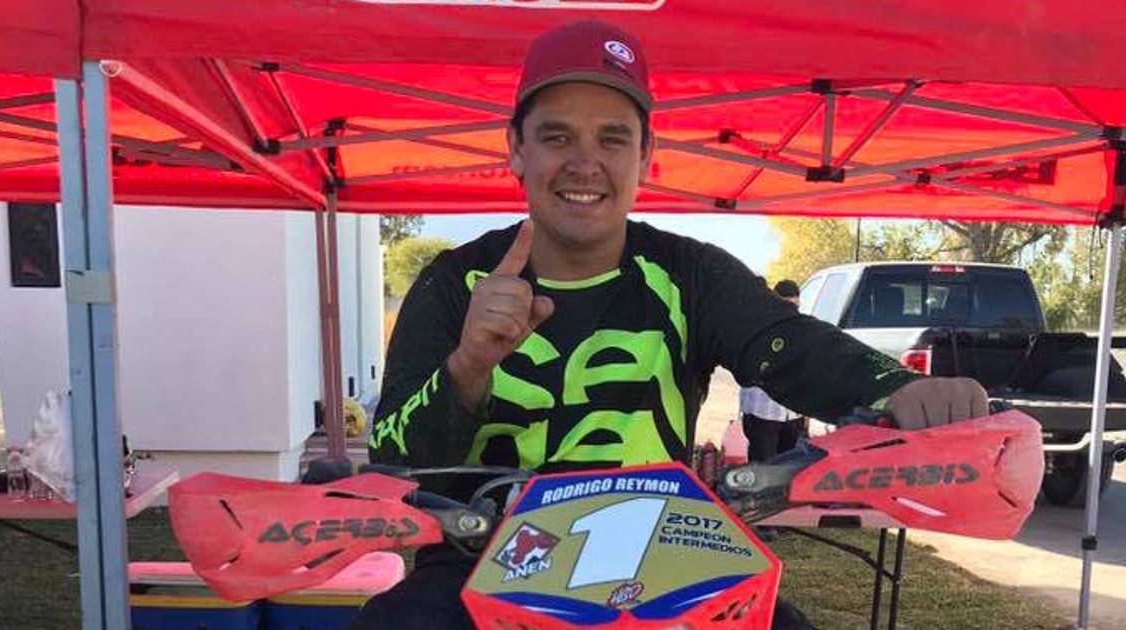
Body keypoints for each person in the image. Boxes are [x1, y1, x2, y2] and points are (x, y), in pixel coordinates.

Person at [357, 19, 987, 630]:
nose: (584, 163)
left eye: (612, 139)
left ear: (646, 155)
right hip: (478, 560)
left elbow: (790, 346)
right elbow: (392, 463)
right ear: (516, 149)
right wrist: (469, 366)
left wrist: (899, 388)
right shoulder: (452, 283)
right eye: (556, 137)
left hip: (658, 555)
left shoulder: (690, 273)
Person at [739, 279, 808, 465]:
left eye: (795, 306)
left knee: (790, 469)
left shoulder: (803, 329)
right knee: (764, 468)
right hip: (763, 413)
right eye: (786, 306)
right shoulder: (756, 329)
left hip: (793, 414)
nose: (791, 311)